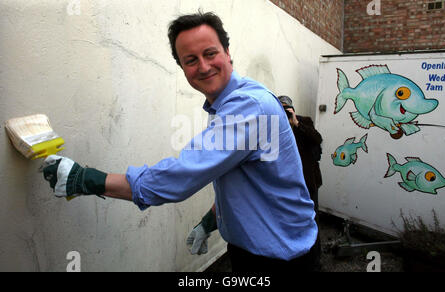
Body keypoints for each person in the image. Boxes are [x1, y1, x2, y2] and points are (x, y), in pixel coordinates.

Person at [41, 11, 319, 272]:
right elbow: (248, 177)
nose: (204, 66)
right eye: (191, 60)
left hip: (279, 260)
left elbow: (182, 175)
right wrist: (212, 221)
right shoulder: (230, 104)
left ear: (228, 53)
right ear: (182, 68)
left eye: (210, 53)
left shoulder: (248, 107)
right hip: (267, 246)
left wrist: (87, 179)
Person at [278, 95, 323, 267]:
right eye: (280, 109)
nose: (284, 113)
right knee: (292, 222)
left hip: (308, 181)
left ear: (293, 109)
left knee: (312, 220)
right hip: (289, 184)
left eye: (286, 109)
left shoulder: (304, 121)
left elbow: (317, 139)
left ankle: (315, 260)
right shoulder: (277, 127)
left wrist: (296, 123)